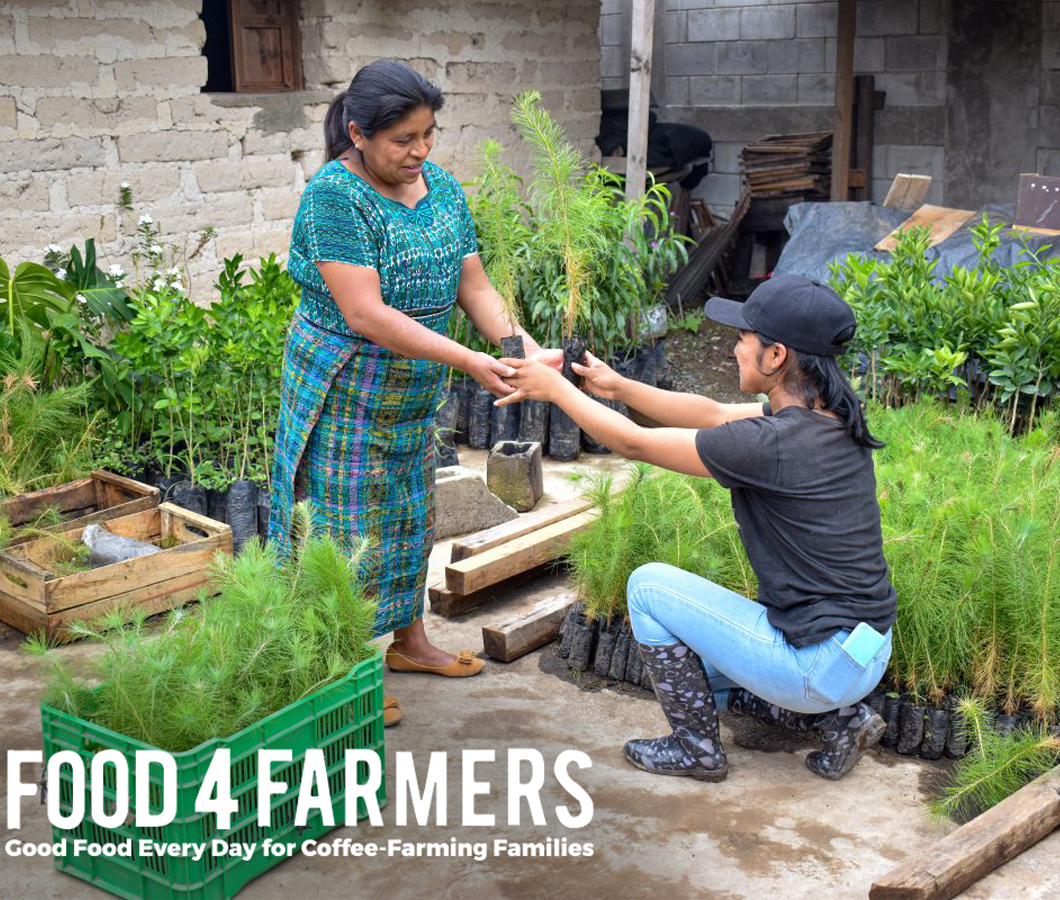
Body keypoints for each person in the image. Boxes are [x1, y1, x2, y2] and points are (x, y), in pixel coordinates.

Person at [498, 275, 897, 781]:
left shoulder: (771, 445)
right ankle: (843, 721)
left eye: (741, 339)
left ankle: (697, 750)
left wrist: (555, 390)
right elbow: (711, 413)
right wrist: (615, 385)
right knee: (704, 675)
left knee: (647, 587)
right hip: (866, 651)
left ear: (776, 357)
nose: (733, 349)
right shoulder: (831, 417)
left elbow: (635, 444)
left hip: (816, 663)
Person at [269, 60, 560, 728]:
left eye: (428, 133)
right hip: (346, 386)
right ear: (358, 133)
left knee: (407, 516)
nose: (420, 150)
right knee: (343, 529)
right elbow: (366, 313)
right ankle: (336, 669)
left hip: (411, 388)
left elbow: (475, 286)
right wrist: (467, 358)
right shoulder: (334, 198)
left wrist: (521, 346)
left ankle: (410, 642)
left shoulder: (441, 189)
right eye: (403, 138)